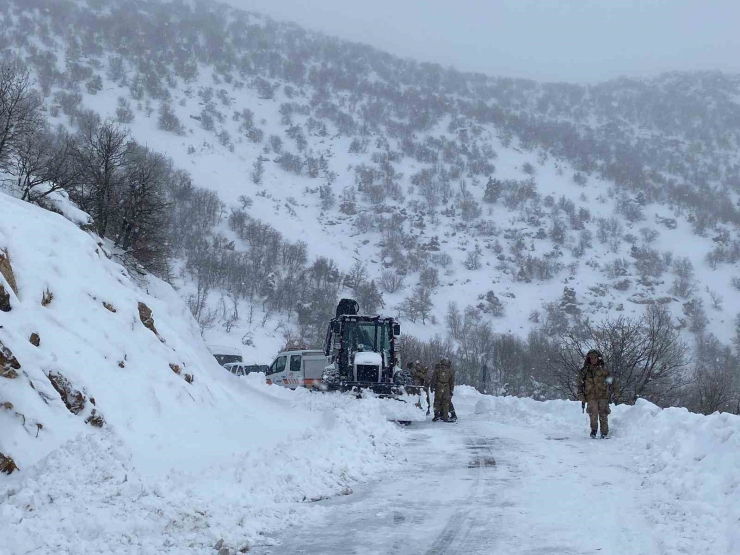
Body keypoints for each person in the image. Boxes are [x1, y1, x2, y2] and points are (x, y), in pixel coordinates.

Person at [577, 349, 615, 438]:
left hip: (603, 395)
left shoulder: (604, 370)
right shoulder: (584, 371)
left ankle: (604, 432)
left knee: (603, 414)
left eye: (595, 358)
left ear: (598, 358)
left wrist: (612, 391)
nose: (593, 359)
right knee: (593, 414)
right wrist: (581, 395)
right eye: (591, 358)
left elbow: (611, 381)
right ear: (588, 359)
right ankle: (593, 431)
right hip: (590, 396)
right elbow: (580, 384)